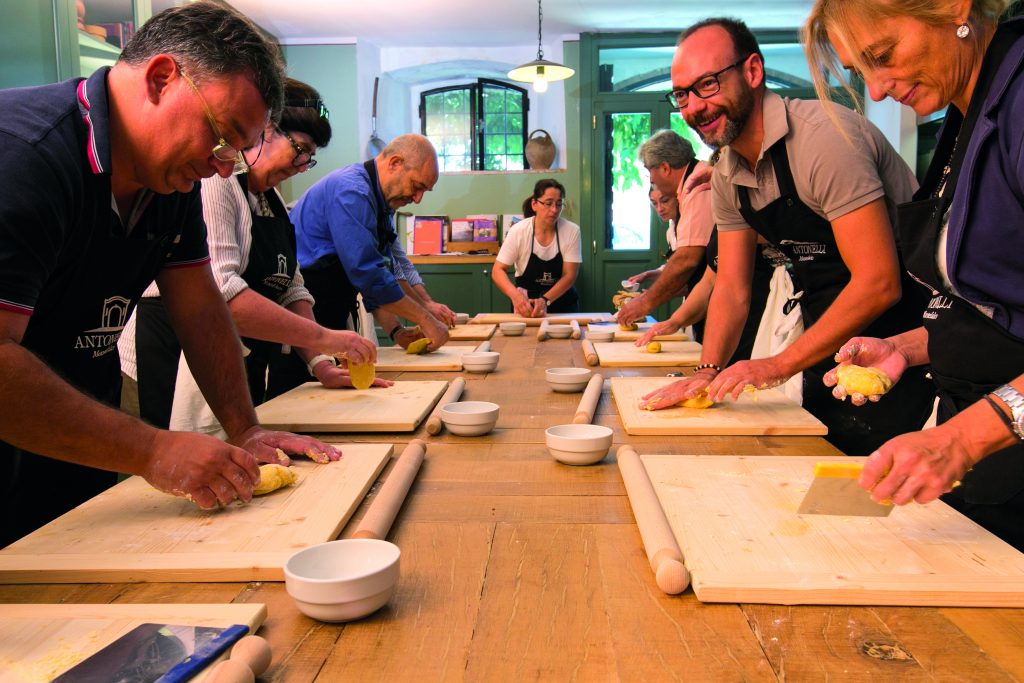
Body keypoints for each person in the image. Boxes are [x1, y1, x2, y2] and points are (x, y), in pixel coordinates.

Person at [0, 2, 343, 547]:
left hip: (76, 439)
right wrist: (154, 449)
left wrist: (246, 428)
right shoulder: (23, 157)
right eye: (223, 134)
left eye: (238, 148)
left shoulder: (169, 182)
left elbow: (202, 307)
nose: (224, 165)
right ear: (161, 78)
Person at [641, 17, 935, 456]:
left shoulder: (824, 141)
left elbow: (878, 282)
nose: (692, 108)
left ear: (753, 72)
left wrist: (777, 364)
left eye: (706, 85)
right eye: (682, 94)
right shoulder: (726, 175)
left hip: (905, 341)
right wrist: (706, 370)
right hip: (827, 337)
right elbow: (732, 287)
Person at [805, 0, 1024, 548]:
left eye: (883, 56)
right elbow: (1003, 310)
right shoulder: (965, 108)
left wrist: (960, 441)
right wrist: (910, 346)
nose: (877, 91)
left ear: (953, 4)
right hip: (990, 467)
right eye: (863, 73)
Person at [119, 78, 387, 436]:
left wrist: (320, 362)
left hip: (225, 357)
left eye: (310, 157)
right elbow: (222, 294)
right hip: (170, 350)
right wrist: (326, 337)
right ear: (264, 131)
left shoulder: (271, 199)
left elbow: (291, 287)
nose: (302, 163)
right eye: (300, 148)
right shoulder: (217, 184)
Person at [291, 134, 454, 350]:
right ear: (395, 163)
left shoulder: (382, 204)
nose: (417, 199)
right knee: (300, 382)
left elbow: (383, 272)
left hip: (333, 304)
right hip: (304, 306)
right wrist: (426, 319)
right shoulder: (352, 191)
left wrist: (397, 332)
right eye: (417, 186)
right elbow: (368, 274)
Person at [617, 130, 713, 327]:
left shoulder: (698, 186)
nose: (651, 180)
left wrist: (645, 302)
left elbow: (687, 259)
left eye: (649, 171)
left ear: (665, 168)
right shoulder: (688, 187)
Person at [492, 179, 582, 316]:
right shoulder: (519, 231)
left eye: (559, 204)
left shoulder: (572, 231)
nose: (554, 210)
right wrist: (516, 297)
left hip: (562, 303)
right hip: (526, 304)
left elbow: (570, 275)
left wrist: (545, 300)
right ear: (534, 204)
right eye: (548, 203)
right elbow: (497, 270)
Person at [625, 186, 681, 288]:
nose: (659, 209)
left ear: (678, 198)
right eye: (654, 203)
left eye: (665, 201)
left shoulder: (688, 227)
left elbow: (685, 269)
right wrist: (647, 274)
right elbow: (672, 268)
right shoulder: (670, 232)